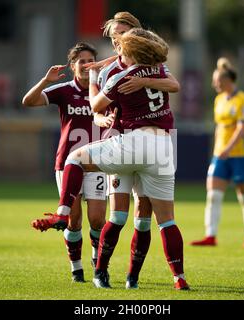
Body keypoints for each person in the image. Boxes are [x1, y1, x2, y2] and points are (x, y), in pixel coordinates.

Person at [31, 28, 190, 291]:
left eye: (120, 42)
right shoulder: (159, 70)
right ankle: (179, 277)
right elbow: (173, 85)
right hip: (163, 147)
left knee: (76, 158)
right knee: (166, 221)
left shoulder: (123, 76)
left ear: (129, 50)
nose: (116, 46)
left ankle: (62, 214)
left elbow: (95, 106)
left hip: (132, 143)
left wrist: (93, 79)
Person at [91, 12, 181, 290]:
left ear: (135, 35)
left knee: (143, 219)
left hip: (150, 144)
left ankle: (133, 278)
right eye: (113, 34)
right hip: (120, 140)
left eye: (122, 33)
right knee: (117, 216)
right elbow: (95, 109)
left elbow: (172, 85)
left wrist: (144, 81)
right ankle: (100, 272)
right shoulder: (109, 71)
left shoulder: (151, 64)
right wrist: (100, 120)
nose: (117, 39)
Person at [22, 43, 107, 282]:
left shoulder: (102, 92)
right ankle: (76, 268)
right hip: (68, 163)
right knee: (73, 220)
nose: (87, 64)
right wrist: (45, 80)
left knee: (98, 218)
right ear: (72, 66)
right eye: (82, 61)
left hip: (97, 162)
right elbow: (28, 101)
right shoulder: (64, 90)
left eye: (91, 60)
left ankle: (95, 258)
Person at [190, 58, 244, 248]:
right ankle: (210, 235)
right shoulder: (219, 100)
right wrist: (219, 151)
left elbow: (241, 129)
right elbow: (220, 128)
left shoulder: (243, 99)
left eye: (217, 81)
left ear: (227, 80)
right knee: (213, 195)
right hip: (221, 156)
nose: (214, 84)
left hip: (240, 156)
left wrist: (228, 149)